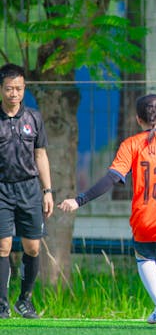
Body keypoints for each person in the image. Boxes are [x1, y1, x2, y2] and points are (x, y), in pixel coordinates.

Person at [58, 94, 156, 331]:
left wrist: (80, 200)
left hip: (144, 219)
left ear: (137, 119)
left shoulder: (131, 144)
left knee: (144, 258)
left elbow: (110, 179)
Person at [0, 63, 53, 319]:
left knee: (32, 247)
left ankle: (25, 300)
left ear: (24, 89)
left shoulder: (33, 117)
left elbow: (40, 154)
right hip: (1, 191)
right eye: (9, 89)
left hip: (30, 190)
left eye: (18, 89)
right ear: (1, 89)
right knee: (3, 245)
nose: (14, 94)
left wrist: (48, 191)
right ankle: (2, 304)